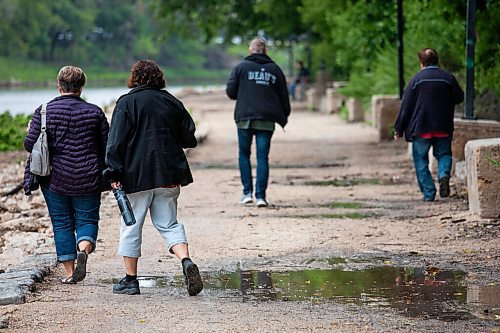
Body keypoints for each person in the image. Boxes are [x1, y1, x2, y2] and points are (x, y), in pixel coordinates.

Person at [104, 60, 203, 296]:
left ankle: (130, 280)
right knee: (169, 223)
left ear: (134, 78)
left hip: (135, 175)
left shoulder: (126, 103)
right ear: (159, 77)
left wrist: (112, 172)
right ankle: (186, 260)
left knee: (132, 224)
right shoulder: (171, 101)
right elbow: (189, 138)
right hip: (168, 172)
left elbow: (115, 142)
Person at [23, 66, 110, 284]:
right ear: (81, 87)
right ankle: (83, 248)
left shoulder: (43, 111)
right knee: (87, 219)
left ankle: (71, 274)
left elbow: (29, 145)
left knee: (61, 223)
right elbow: (107, 147)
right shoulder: (95, 112)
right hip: (88, 176)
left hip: (54, 179)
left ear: (59, 86)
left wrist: (29, 131)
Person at [226, 37, 291, 207]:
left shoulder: (240, 68)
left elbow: (231, 92)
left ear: (250, 50)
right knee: (262, 157)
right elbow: (284, 95)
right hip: (266, 119)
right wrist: (285, 115)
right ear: (266, 51)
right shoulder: (275, 70)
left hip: (244, 118)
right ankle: (261, 196)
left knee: (244, 155)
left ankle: (247, 193)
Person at [394, 48, 464, 201]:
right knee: (444, 154)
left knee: (420, 160)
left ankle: (428, 193)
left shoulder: (415, 80)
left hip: (421, 128)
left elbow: (406, 106)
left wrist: (399, 128)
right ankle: (443, 175)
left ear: (421, 63)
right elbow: (459, 97)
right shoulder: (448, 78)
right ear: (436, 60)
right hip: (442, 126)